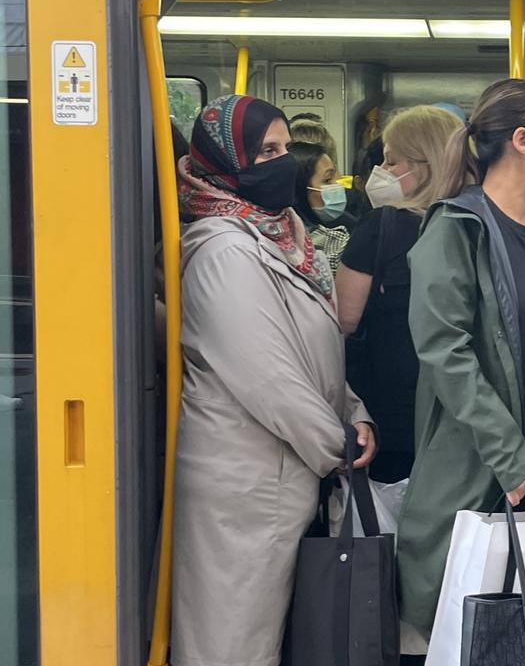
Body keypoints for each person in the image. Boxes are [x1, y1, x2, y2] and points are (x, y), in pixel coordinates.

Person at [171, 94, 376, 666]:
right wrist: (334, 444)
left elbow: (316, 351)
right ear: (226, 163)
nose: (283, 163)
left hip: (284, 478)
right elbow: (269, 375)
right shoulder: (221, 251)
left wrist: (354, 413)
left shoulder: (282, 237)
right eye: (267, 151)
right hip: (243, 489)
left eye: (287, 149)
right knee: (232, 647)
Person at [396, 79, 525, 640]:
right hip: (478, 460)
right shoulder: (455, 227)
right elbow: (446, 352)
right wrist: (516, 463)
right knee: (468, 629)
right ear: (523, 141)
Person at [335, 104, 462, 484]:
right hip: (458, 410)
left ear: (422, 166)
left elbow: (343, 318)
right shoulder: (473, 223)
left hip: (390, 412)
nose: (382, 173)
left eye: (391, 163)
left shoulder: (382, 228)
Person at [289, 140, 356, 265]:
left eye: (335, 175)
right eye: (328, 179)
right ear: (300, 190)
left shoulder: (348, 226)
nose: (338, 184)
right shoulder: (330, 245)